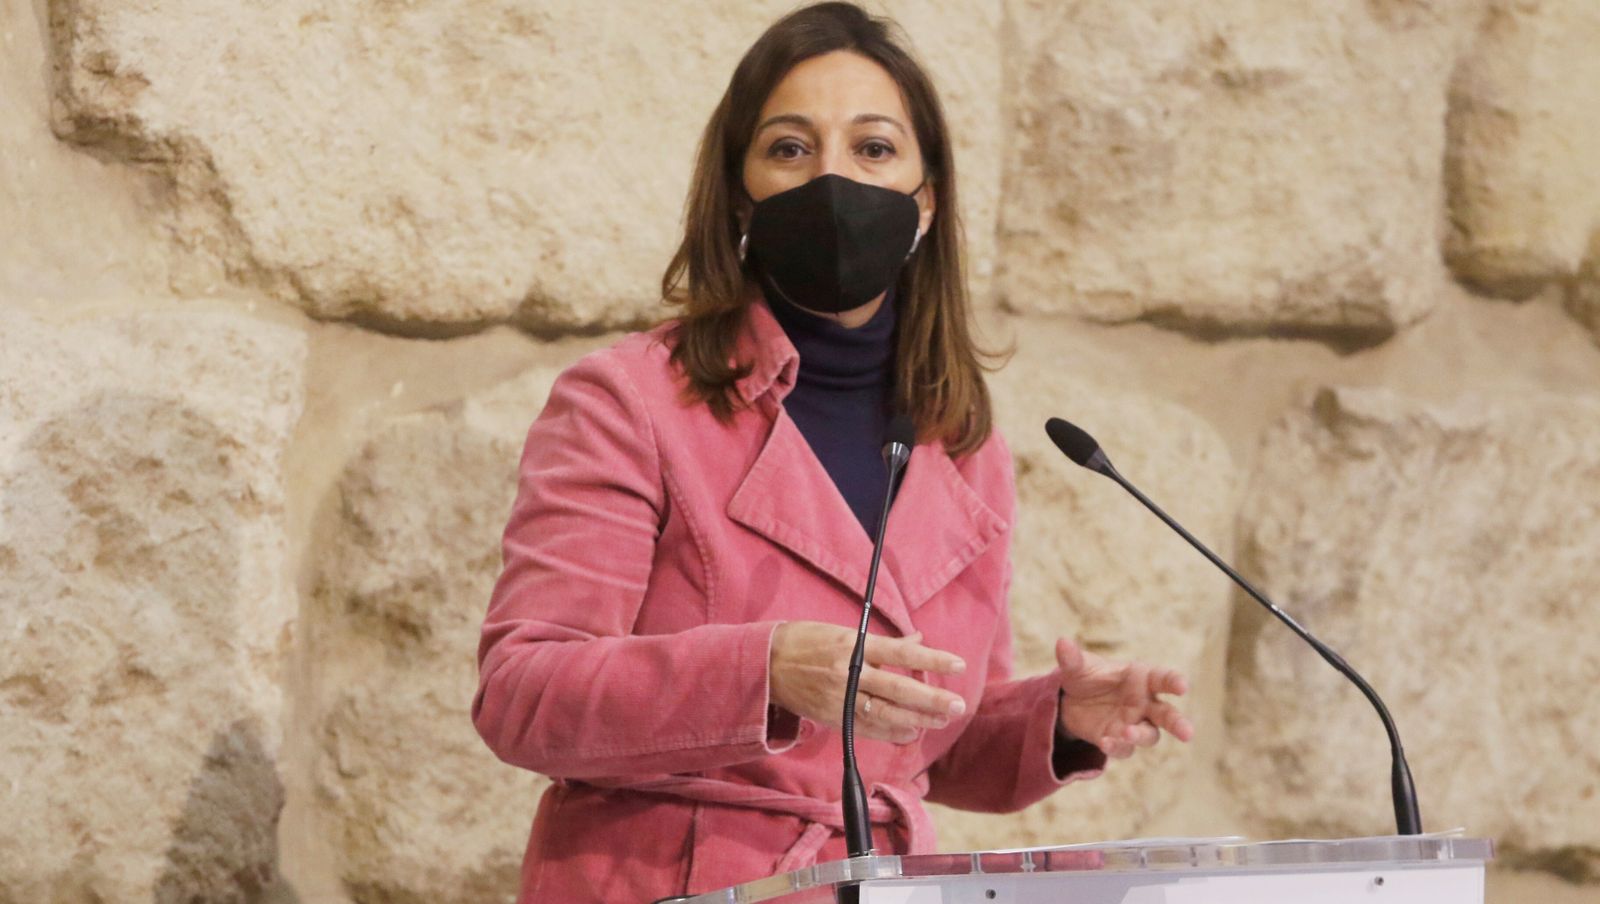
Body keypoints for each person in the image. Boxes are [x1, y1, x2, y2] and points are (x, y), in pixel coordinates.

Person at [472, 4, 1193, 901]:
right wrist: (765, 671)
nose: (834, 179)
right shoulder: (629, 401)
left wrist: (1054, 718)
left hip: (887, 882)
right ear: (740, 194)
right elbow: (522, 694)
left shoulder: (960, 437)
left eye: (874, 150)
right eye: (789, 149)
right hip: (669, 881)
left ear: (926, 202)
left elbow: (927, 739)